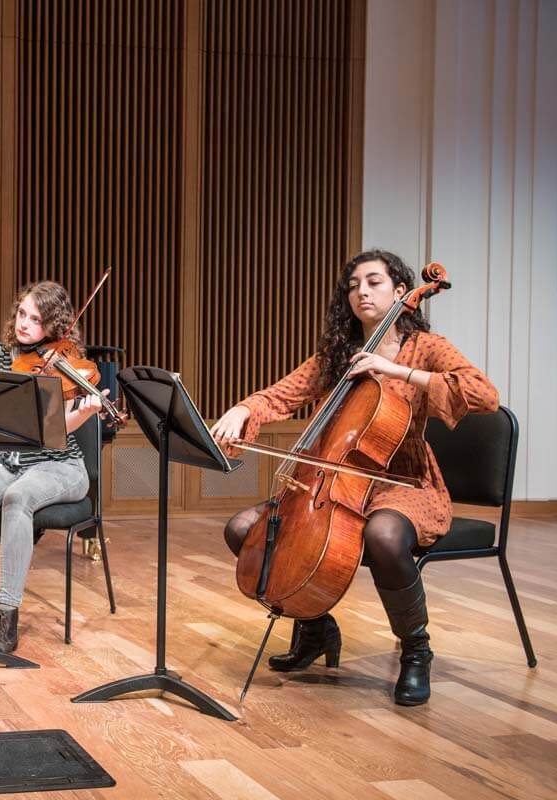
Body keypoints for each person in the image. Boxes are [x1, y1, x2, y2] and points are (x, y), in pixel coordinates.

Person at [209, 249, 499, 705]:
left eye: (374, 281)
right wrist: (244, 407)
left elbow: (484, 395)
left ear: (402, 291)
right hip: (339, 482)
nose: (361, 291)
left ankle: (416, 652)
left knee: (383, 536)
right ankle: (314, 625)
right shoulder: (338, 355)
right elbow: (282, 395)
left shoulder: (425, 347)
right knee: (244, 530)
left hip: (404, 483)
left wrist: (398, 371)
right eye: (353, 284)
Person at [0, 281, 106, 653]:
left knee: (17, 498)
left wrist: (87, 411)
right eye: (22, 314)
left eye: (36, 319)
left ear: (54, 327)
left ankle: (7, 618)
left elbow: (59, 431)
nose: (25, 324)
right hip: (9, 461)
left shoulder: (68, 362)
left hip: (58, 464)